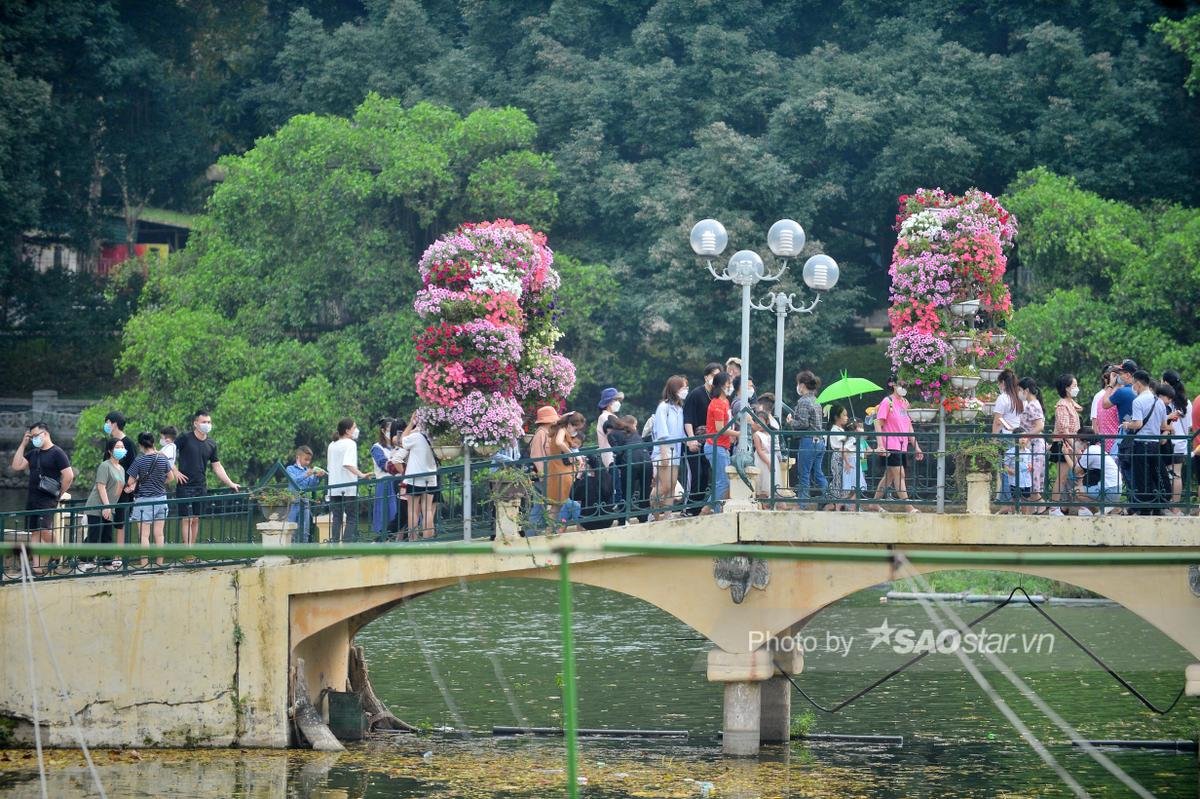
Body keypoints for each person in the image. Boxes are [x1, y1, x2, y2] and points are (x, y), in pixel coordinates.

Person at [10, 421, 73, 574]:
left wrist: (59, 493)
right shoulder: (33, 453)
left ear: (45, 434)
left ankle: (56, 552)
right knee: (34, 532)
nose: (34, 439)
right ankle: (36, 567)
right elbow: (16, 466)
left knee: (44, 529)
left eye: (36, 436)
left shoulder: (57, 452)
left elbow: (68, 475)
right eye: (31, 437)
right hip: (32, 497)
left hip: (47, 499)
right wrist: (23, 444)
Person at [174, 410, 240, 548]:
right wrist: (175, 471)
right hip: (184, 485)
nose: (207, 425)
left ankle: (192, 547)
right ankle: (186, 550)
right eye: (204, 422)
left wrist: (230, 483)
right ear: (196, 423)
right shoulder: (185, 438)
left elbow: (217, 466)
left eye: (209, 422)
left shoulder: (211, 443)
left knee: (196, 519)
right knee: (187, 519)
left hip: (200, 485)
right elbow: (167, 453)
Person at [869, 377, 924, 513]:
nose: (903, 387)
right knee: (900, 474)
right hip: (890, 444)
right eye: (901, 384)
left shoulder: (905, 403)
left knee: (889, 476)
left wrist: (916, 446)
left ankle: (874, 503)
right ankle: (908, 507)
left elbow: (908, 425)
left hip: (902, 445)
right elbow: (878, 423)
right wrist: (880, 445)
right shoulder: (887, 402)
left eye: (905, 385)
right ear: (893, 385)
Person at [125, 432, 172, 567]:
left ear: (140, 445)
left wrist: (141, 479)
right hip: (161, 499)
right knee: (159, 535)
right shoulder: (162, 458)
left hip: (144, 501)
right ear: (153, 442)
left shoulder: (139, 460)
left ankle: (144, 565)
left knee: (144, 536)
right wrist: (159, 482)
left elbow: (130, 481)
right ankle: (159, 564)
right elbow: (171, 477)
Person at [80, 437, 126, 572]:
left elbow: (118, 487)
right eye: (117, 447)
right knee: (95, 533)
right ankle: (86, 561)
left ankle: (107, 561)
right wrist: (105, 506)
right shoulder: (105, 465)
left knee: (107, 534)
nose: (121, 449)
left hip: (109, 506)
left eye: (122, 447)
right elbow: (101, 486)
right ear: (110, 451)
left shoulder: (121, 469)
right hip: (98, 505)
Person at [1123, 370, 1166, 515]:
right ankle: (1158, 507)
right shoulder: (1158, 401)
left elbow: (1138, 424)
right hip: (1155, 443)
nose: (1133, 387)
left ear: (1139, 383)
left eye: (1133, 383)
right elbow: (1163, 425)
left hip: (1142, 444)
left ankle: (1145, 508)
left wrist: (1127, 425)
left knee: (1142, 477)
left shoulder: (1138, 401)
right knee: (1155, 475)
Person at [682, 363, 722, 515]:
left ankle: (698, 507)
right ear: (706, 377)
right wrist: (691, 439)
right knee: (696, 474)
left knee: (706, 475)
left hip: (710, 441)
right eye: (713, 376)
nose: (714, 379)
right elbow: (688, 419)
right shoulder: (696, 394)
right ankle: (690, 508)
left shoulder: (717, 395)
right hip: (695, 440)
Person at [327, 418, 370, 543]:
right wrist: (361, 475)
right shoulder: (350, 444)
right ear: (347, 431)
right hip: (348, 486)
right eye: (354, 428)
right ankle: (347, 545)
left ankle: (334, 545)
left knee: (337, 517)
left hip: (334, 486)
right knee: (352, 517)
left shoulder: (332, 445)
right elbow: (347, 464)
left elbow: (330, 466)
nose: (356, 430)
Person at [398, 413, 439, 540]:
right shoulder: (434, 436)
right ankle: (428, 539)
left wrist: (410, 424)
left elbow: (402, 440)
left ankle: (413, 539)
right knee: (427, 510)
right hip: (431, 477)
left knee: (412, 510)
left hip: (415, 478)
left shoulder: (416, 437)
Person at [653, 375, 689, 517]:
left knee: (672, 486)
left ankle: (668, 514)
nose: (685, 390)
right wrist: (663, 453)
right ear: (674, 389)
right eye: (682, 387)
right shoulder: (663, 407)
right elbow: (661, 431)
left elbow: (680, 432)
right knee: (665, 485)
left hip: (676, 450)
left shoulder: (679, 408)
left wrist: (689, 441)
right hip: (664, 450)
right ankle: (653, 510)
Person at [792, 370, 829, 509]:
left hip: (808, 441)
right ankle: (829, 497)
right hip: (819, 441)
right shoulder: (816, 400)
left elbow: (803, 423)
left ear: (802, 385)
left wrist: (791, 422)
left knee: (804, 473)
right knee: (818, 472)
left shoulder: (803, 401)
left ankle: (802, 504)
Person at [102, 411, 137, 551]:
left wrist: (133, 484)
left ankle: (118, 555)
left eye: (108, 422)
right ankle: (105, 555)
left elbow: (135, 467)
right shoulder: (109, 443)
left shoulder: (128, 443)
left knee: (120, 523)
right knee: (105, 521)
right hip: (108, 489)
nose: (106, 425)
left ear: (114, 424)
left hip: (123, 490)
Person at [545, 411, 586, 528]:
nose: (576, 432)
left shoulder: (558, 430)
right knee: (571, 502)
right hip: (562, 472)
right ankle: (578, 527)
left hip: (558, 470)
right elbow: (559, 442)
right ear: (570, 424)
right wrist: (571, 454)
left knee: (557, 505)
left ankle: (551, 530)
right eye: (576, 428)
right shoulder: (562, 430)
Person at [704, 372, 737, 513]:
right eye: (728, 383)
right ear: (721, 385)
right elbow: (719, 429)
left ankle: (714, 509)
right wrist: (738, 434)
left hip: (722, 446)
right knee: (723, 481)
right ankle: (708, 509)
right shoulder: (717, 404)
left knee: (722, 481)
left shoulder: (725, 402)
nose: (730, 386)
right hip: (715, 445)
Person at [1049, 373, 1081, 515]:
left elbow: (1080, 408)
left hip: (1070, 443)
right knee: (1061, 477)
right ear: (1067, 388)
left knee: (1069, 477)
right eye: (1074, 386)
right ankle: (1054, 507)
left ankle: (1066, 505)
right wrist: (1074, 446)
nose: (1076, 388)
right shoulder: (1062, 405)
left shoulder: (1069, 403)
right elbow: (1064, 429)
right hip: (1064, 444)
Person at [1073, 428, 1123, 515]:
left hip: (1109, 490)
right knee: (1082, 489)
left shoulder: (1089, 451)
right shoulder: (1095, 448)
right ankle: (1104, 510)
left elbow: (1077, 471)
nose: (1076, 442)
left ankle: (1103, 510)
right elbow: (1082, 467)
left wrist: (1069, 454)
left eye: (1077, 440)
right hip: (1115, 488)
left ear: (1083, 441)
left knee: (1076, 491)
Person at [1017, 377, 1047, 510]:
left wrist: (1026, 437)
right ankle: (1037, 509)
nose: (1018, 393)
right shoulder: (1032, 404)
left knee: (1032, 481)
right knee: (1031, 480)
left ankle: (1043, 506)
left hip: (1034, 445)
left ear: (1026, 390)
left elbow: (1039, 426)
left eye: (1019, 390)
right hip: (1032, 445)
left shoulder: (1032, 405)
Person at [1161, 371, 1189, 514]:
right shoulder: (1186, 402)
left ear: (1166, 383)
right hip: (1181, 442)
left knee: (1167, 474)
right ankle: (1175, 507)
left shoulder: (1167, 401)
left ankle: (1166, 504)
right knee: (1177, 474)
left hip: (1168, 442)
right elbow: (1188, 426)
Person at [286, 446, 325, 543]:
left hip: (304, 502)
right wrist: (306, 474)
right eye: (306, 459)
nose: (308, 462)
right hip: (293, 502)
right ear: (298, 457)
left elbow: (312, 485)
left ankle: (302, 554)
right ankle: (291, 553)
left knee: (305, 530)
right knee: (291, 529)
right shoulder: (290, 469)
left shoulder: (307, 470)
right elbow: (294, 480)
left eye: (309, 460)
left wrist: (317, 477)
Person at [750, 395, 784, 506]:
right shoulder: (757, 434)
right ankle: (763, 504)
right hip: (762, 460)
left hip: (771, 457)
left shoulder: (770, 432)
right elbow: (759, 450)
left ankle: (772, 504)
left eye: (762, 422)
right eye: (757, 422)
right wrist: (769, 462)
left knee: (772, 483)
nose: (760, 424)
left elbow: (774, 445)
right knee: (762, 484)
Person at [370, 417, 400, 538]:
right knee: (386, 514)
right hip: (385, 484)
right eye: (390, 430)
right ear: (383, 431)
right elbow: (384, 464)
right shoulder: (377, 447)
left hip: (399, 482)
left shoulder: (397, 446)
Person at [1003, 428, 1035, 512]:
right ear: (1015, 439)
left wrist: (1030, 466)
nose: (1023, 439)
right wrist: (1009, 470)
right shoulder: (1010, 452)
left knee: (1026, 499)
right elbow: (1005, 465)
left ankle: (1025, 515)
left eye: (1024, 437)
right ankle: (1014, 514)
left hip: (1026, 480)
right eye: (1020, 437)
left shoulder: (1028, 451)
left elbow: (1029, 462)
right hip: (1015, 480)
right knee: (1015, 498)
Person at [1090, 366, 1120, 454]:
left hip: (1103, 443)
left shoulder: (1101, 399)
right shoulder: (1116, 397)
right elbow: (1094, 421)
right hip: (1116, 444)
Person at [595, 388, 624, 468]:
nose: (618, 402)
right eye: (616, 400)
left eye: (619, 400)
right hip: (610, 457)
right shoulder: (604, 417)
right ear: (608, 402)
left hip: (616, 456)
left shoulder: (612, 416)